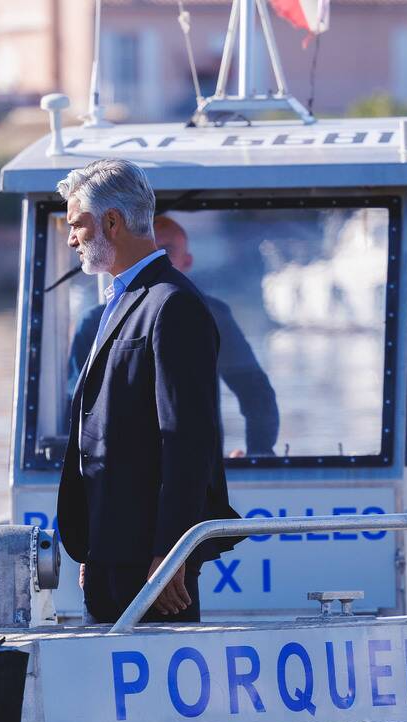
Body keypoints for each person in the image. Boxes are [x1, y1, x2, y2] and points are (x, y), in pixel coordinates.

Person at [55, 159, 236, 625]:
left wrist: (169, 554)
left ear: (111, 222)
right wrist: (94, 546)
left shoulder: (172, 304)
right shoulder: (123, 301)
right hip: (113, 553)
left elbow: (187, 440)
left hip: (151, 564)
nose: (71, 238)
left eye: (78, 224)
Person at [65, 215, 278, 456]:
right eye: (150, 252)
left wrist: (258, 454)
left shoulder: (213, 318)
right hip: (121, 477)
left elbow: (255, 392)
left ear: (187, 262)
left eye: (166, 251)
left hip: (198, 474)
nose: (156, 260)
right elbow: (76, 408)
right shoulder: (94, 325)